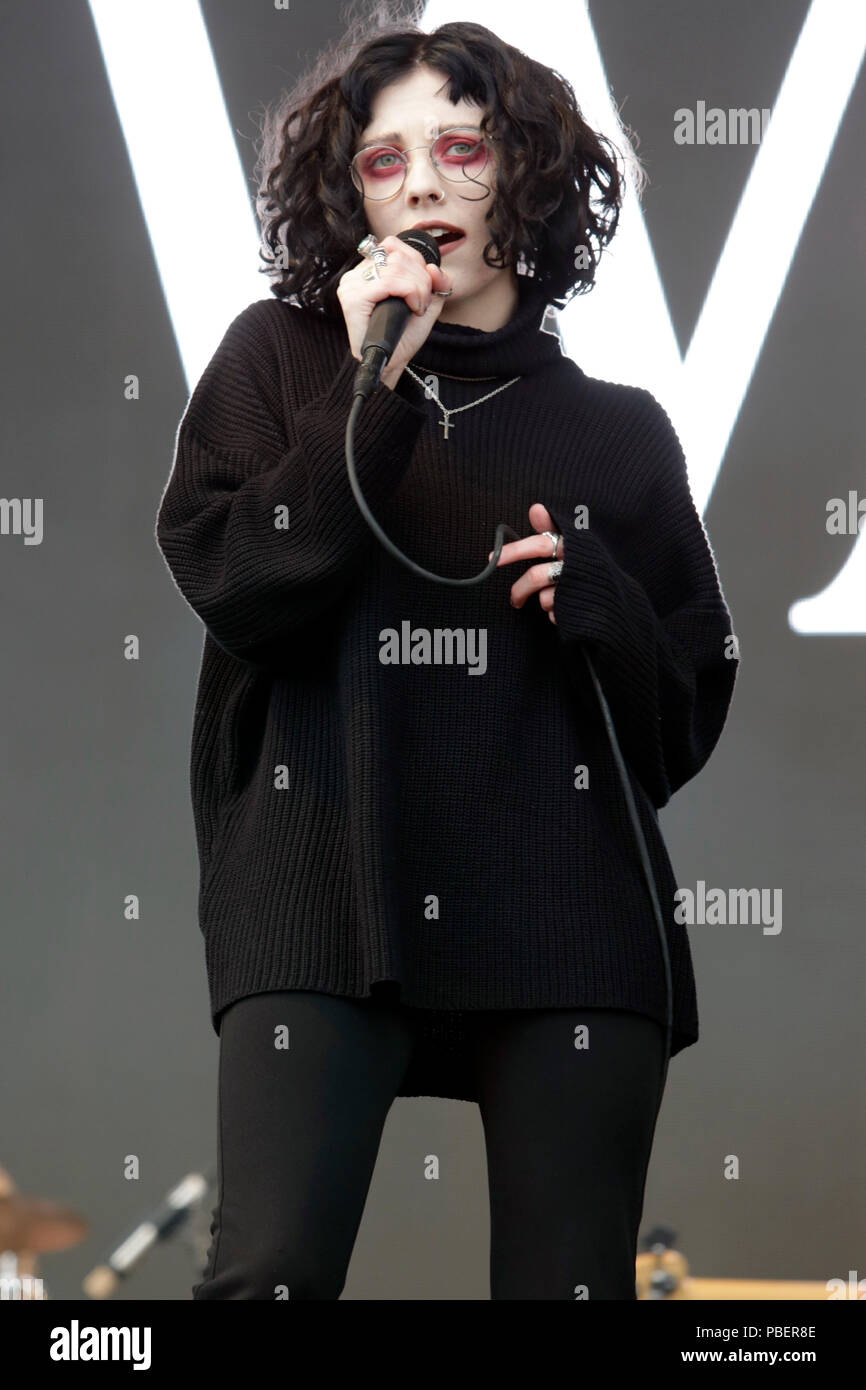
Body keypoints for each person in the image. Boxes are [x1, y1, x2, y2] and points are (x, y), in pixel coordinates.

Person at [155, 12, 739, 1300]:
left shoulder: (617, 432)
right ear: (348, 192)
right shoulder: (275, 362)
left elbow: (685, 712)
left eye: (461, 149)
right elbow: (237, 583)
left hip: (568, 925)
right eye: (384, 160)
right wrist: (376, 393)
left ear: (520, 175)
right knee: (265, 1280)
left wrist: (604, 604)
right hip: (321, 892)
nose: (422, 183)